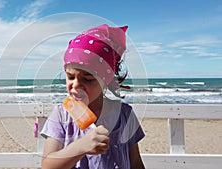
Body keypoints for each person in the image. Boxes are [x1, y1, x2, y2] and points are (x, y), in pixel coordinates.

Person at [40, 24, 145, 169]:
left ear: (107, 79)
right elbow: (47, 165)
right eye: (70, 77)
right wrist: (81, 147)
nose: (75, 85)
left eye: (88, 79)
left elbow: (136, 163)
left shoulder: (125, 115)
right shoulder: (61, 115)